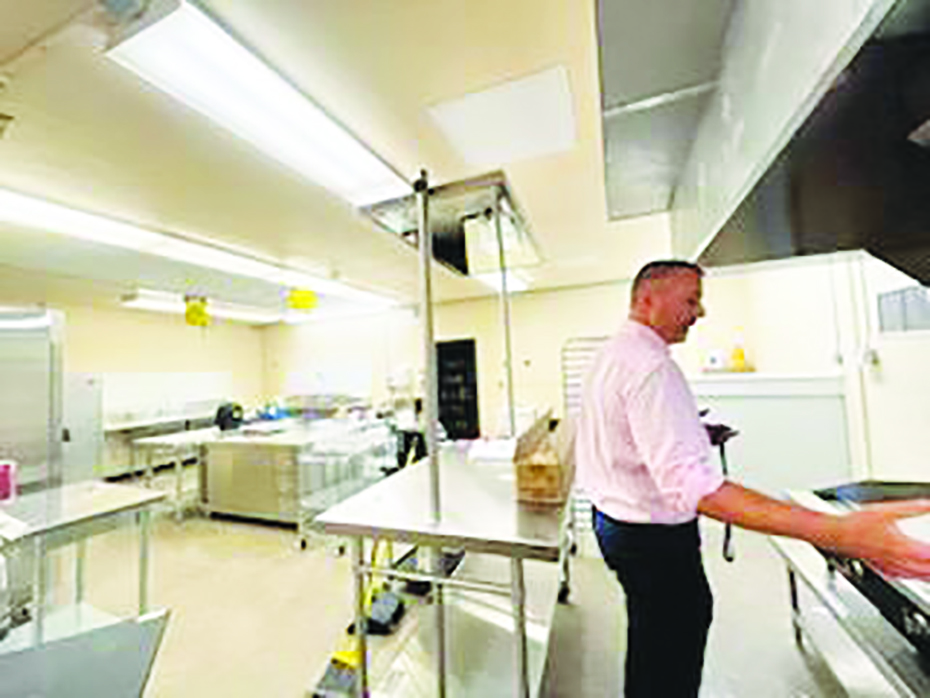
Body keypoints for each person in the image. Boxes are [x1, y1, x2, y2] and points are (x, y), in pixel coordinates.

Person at [575, 260, 930, 698]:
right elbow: (694, 488)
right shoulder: (652, 368)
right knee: (671, 640)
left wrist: (692, 431)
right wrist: (841, 532)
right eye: (691, 300)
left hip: (614, 522)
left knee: (652, 635)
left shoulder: (612, 355)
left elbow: (622, 432)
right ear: (648, 299)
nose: (700, 312)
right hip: (651, 537)